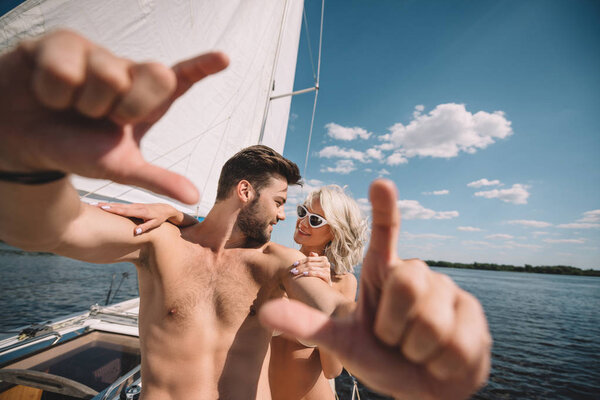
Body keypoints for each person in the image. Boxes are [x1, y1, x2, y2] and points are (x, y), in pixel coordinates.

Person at [0, 29, 492, 400]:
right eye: (280, 202)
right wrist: (26, 164)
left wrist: (389, 325)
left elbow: (333, 310)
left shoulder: (276, 265)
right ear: (244, 192)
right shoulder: (158, 241)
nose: (284, 218)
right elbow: (56, 228)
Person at [95, 185, 368, 399]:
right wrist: (176, 214)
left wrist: (324, 294)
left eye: (316, 219)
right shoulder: (271, 261)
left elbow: (333, 370)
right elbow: (221, 233)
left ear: (334, 231)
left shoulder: (342, 282)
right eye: (302, 212)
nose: (303, 222)